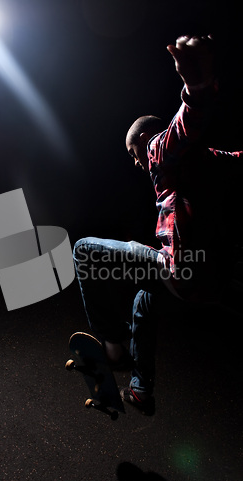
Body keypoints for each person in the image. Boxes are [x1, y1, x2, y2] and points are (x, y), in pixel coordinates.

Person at [73, 35, 243, 415]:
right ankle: (140, 390)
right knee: (144, 300)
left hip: (182, 271)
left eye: (134, 154)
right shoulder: (210, 159)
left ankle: (115, 349)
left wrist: (197, 86)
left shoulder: (158, 149)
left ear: (144, 142)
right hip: (207, 281)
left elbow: (184, 126)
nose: (138, 164)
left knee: (84, 250)